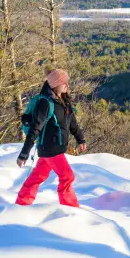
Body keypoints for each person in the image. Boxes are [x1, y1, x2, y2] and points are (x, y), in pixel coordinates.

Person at [15, 68, 86, 207]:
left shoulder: (64, 101)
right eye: (64, 83)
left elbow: (72, 123)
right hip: (50, 149)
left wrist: (80, 139)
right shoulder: (45, 103)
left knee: (37, 177)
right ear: (55, 84)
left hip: (54, 149)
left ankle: (21, 203)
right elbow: (35, 129)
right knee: (67, 176)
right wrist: (24, 153)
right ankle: (70, 207)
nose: (67, 85)